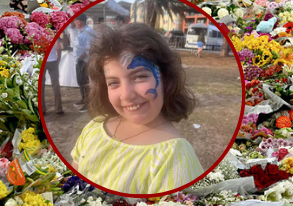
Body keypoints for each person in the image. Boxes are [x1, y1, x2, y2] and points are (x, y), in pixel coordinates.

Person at [70, 23, 203, 194]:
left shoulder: (175, 158)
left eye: (140, 77)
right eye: (113, 82)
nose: (126, 95)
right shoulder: (95, 127)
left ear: (166, 78)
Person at [72, 14, 94, 111]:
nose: (74, 23)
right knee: (80, 81)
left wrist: (82, 56)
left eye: (75, 21)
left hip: (85, 61)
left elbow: (91, 47)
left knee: (85, 82)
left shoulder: (88, 32)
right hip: (79, 60)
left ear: (79, 21)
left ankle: (88, 103)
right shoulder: (81, 32)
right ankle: (84, 99)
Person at [43, 37, 64, 115]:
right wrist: (58, 57)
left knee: (41, 86)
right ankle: (58, 108)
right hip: (52, 60)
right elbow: (58, 48)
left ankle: (42, 109)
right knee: (56, 85)